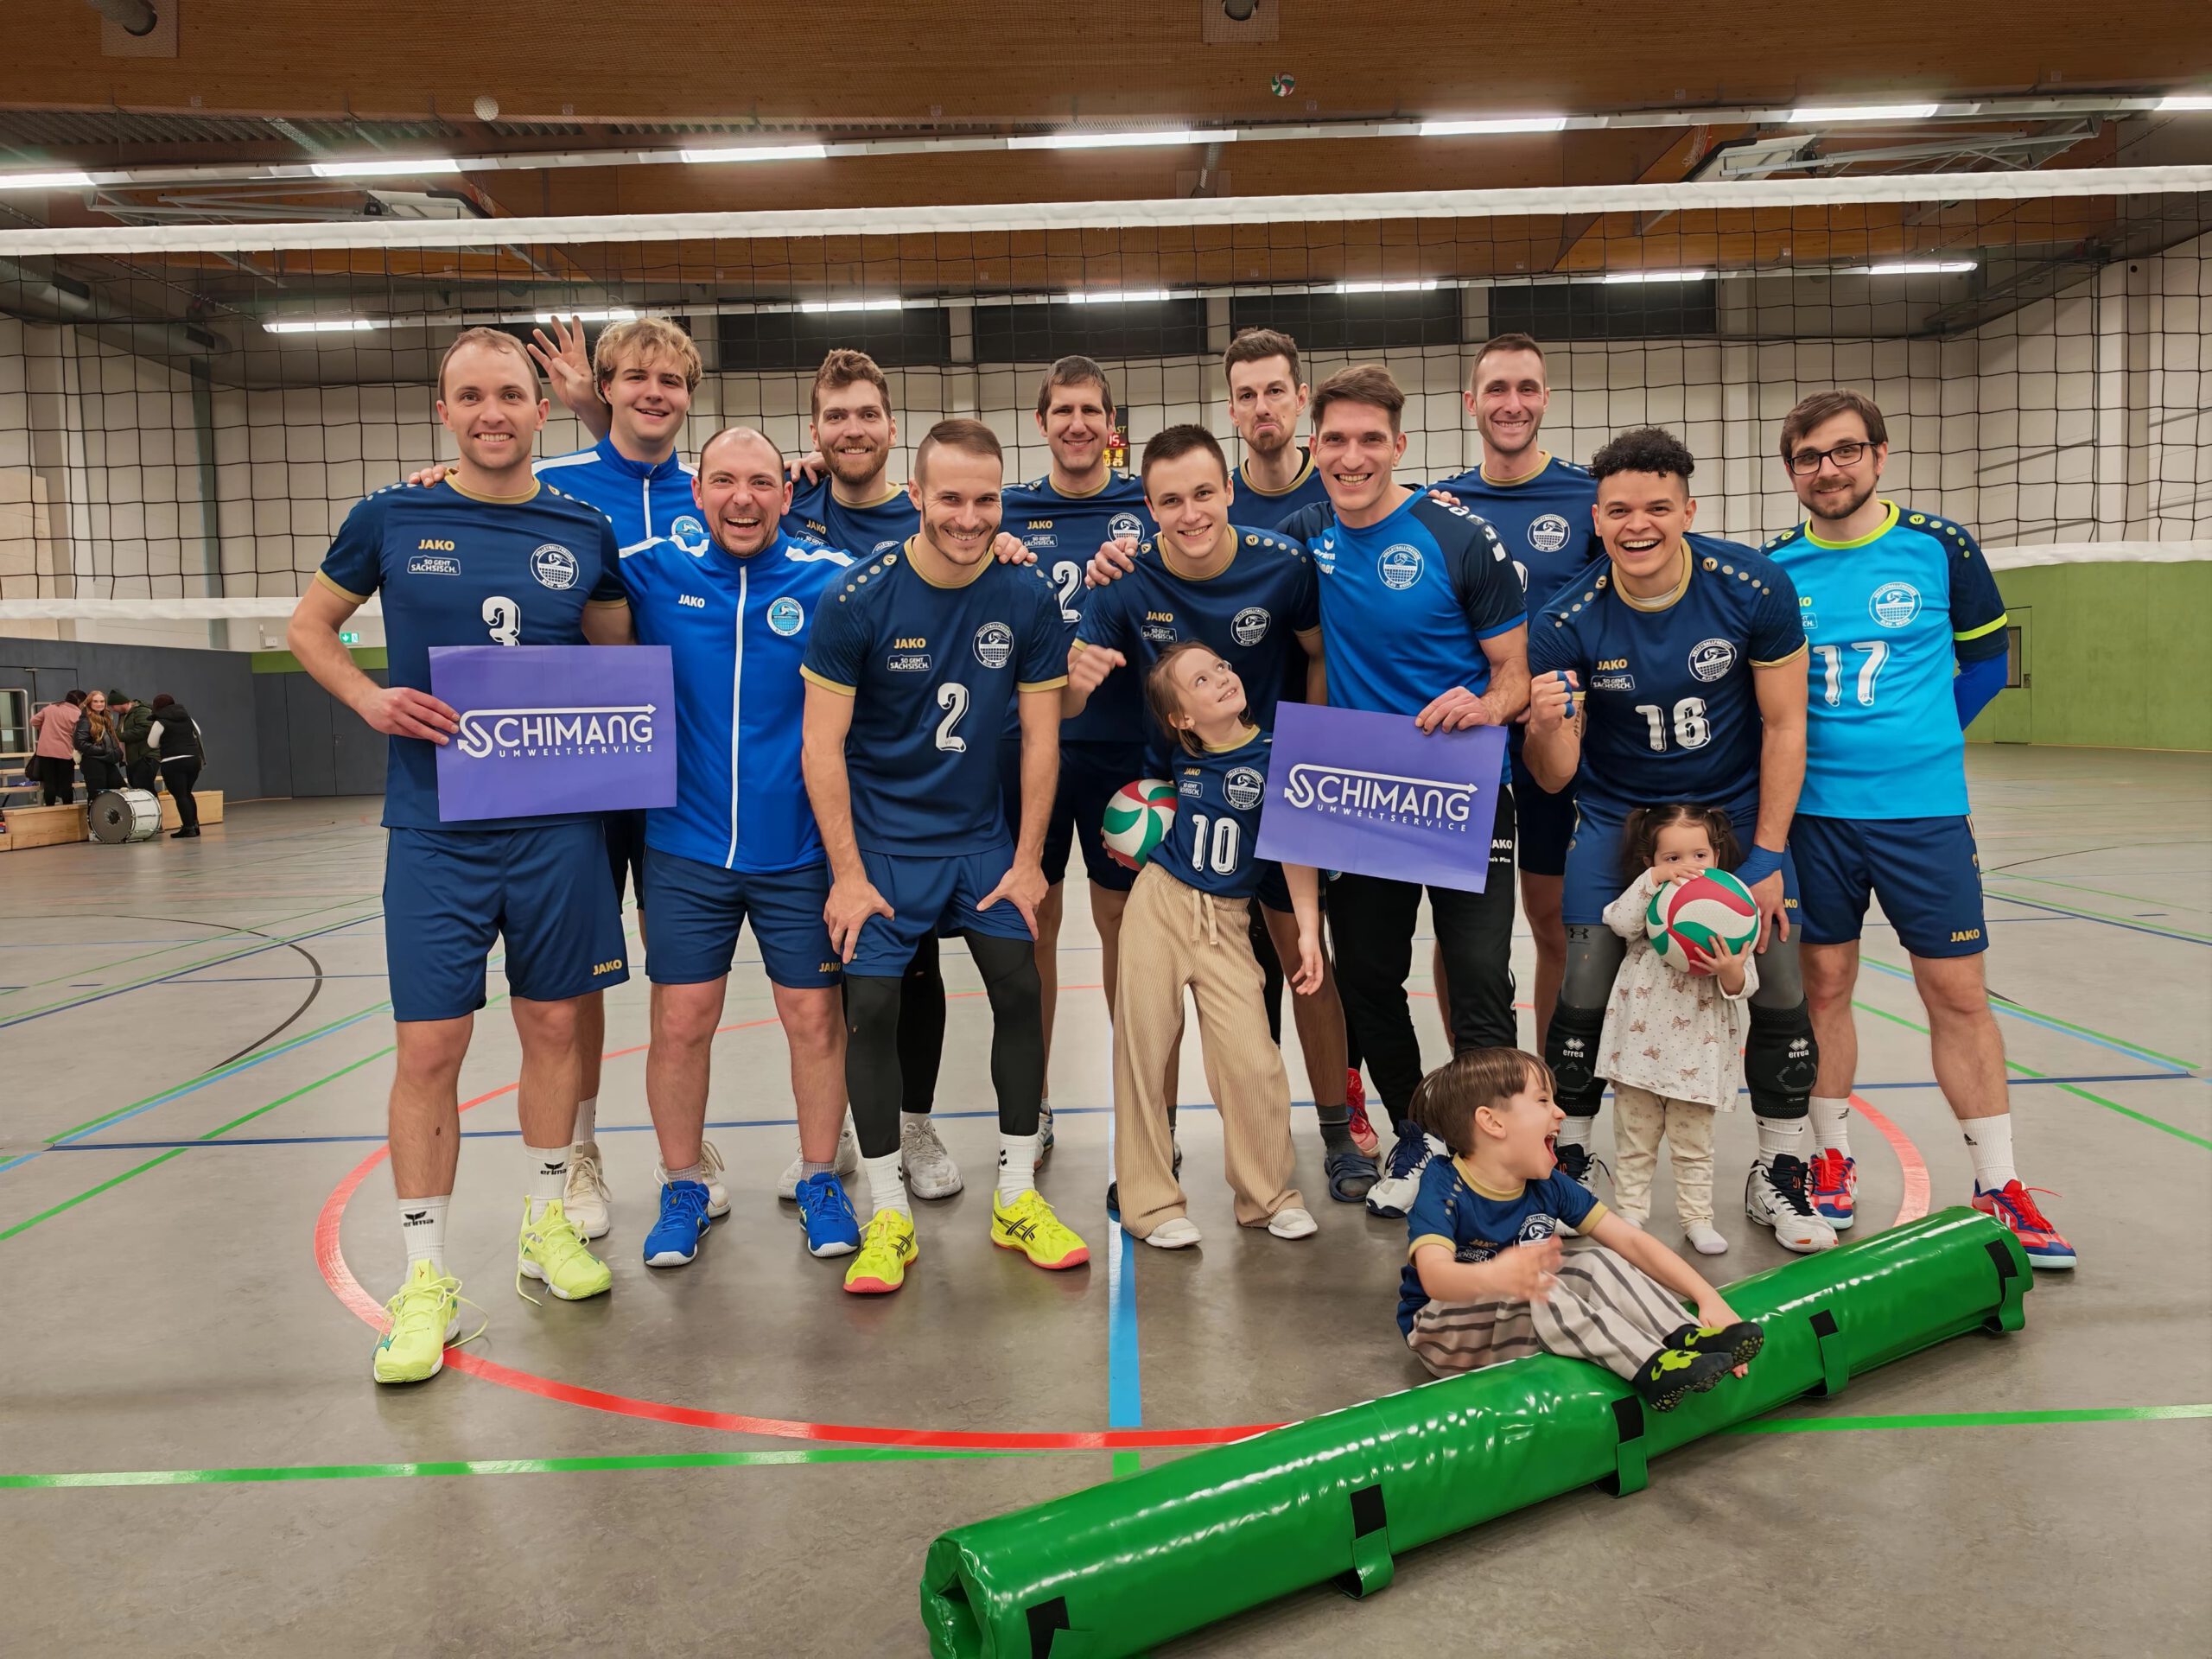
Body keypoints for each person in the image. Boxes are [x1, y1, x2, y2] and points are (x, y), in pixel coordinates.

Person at [288, 327, 632, 1385]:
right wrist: (369, 696)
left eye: (512, 395)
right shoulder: (391, 515)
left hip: (556, 828)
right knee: (429, 1049)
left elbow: (616, 663)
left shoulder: (583, 526)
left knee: (552, 1025)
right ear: (445, 411)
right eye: (472, 395)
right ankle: (425, 1276)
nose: (492, 412)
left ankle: (544, 1222)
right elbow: (309, 627)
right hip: (435, 830)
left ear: (542, 409)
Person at [1764, 389, 2075, 1268]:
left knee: (1958, 996)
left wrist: (1927, 735)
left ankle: (1999, 1181)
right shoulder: (1775, 568)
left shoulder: (1938, 549)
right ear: (1790, 471)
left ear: (1879, 455)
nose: (1827, 469)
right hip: (1814, 817)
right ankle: (1830, 1155)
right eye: (1808, 457)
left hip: (1923, 815)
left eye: (1843, 451)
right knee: (1820, 989)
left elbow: (1984, 658)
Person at [1524, 425, 1834, 1255]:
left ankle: (1778, 1169)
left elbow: (1784, 722)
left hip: (1727, 818)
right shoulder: (1566, 619)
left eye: (1657, 507)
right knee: (1583, 980)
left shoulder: (1752, 586)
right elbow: (1554, 777)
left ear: (1688, 510)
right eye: (1619, 509)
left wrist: (1765, 859)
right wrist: (1548, 724)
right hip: (1619, 819)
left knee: (1774, 982)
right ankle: (1574, 1157)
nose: (1638, 525)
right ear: (1597, 518)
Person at [799, 416, 1087, 1295]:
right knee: (875, 1008)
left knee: (1019, 987)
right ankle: (887, 1211)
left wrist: (1030, 857)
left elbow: (1042, 740)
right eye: (950, 498)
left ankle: (1013, 1195)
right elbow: (821, 748)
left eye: (985, 500)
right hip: (886, 845)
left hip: (979, 843)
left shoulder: (1027, 596)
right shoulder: (856, 599)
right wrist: (847, 875)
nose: (969, 517)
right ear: (915, 495)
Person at [1071, 423, 1373, 1203]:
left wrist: (1306, 754)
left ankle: (1339, 1134)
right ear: (1148, 506)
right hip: (1172, 812)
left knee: (1307, 963)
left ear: (1229, 491)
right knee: (1154, 995)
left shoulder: (1282, 566)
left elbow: (1318, 653)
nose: (1191, 512)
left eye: (1205, 493)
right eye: (1171, 500)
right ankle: (1157, 1144)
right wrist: (1076, 676)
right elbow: (1073, 692)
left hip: (1270, 796)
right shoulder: (1124, 582)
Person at [1274, 364, 1531, 1218]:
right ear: (1315, 447)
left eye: (1369, 440)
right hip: (1361, 789)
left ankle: (1498, 1161)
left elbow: (1515, 678)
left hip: (1461, 786)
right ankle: (1416, 1132)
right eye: (1336, 440)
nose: (1352, 457)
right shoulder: (1306, 532)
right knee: (1369, 983)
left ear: (1400, 446)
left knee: (1477, 979)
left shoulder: (1457, 539)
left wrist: (1484, 701)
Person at [606, 425, 865, 1268]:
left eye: (760, 482)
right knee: (681, 1021)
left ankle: (821, 1177)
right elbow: (548, 535)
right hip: (683, 850)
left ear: (787, 496)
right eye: (723, 481)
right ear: (697, 490)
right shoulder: (649, 571)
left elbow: (930, 573)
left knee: (813, 1019)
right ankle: (682, 1183)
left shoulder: (832, 583)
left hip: (797, 850)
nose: (743, 498)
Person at [783, 348, 1028, 1204]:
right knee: (852, 981)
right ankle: (840, 1136)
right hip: (848, 790)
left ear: (892, 430)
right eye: (834, 417)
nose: (851, 430)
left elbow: (974, 529)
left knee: (918, 970)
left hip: (946, 790)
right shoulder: (784, 503)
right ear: (814, 430)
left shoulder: (934, 512)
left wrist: (1002, 543)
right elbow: (677, 491)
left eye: (866, 415)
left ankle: (912, 1122)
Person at [1397, 1047, 1763, 1412]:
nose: (1560, 1112)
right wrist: (1493, 1276)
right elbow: (1435, 1278)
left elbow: (1631, 1242)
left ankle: (1686, 1338)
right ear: (1493, 1122)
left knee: (1595, 1260)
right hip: (1443, 1334)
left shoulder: (1549, 1184)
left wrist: (1706, 1297)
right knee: (1537, 1287)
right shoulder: (1446, 1184)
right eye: (1543, 1101)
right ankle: (1651, 1368)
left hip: (1514, 1321)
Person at [1219, 327, 1378, 1160]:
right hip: (1229, 774)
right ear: (1233, 407)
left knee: (1326, 952)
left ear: (1301, 400)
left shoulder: (1352, 491)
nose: (1261, 408)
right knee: (1251, 961)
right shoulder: (1219, 505)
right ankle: (1266, 1117)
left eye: (1275, 391)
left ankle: (1341, 1102)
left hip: (1322, 762)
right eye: (1245, 395)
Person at [1108, 642, 1321, 1247]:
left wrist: (1307, 928)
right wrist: (1119, 834)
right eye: (1201, 680)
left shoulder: (1283, 754)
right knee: (1143, 1054)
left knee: (1254, 1060)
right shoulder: (1175, 758)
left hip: (1229, 922)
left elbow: (1297, 845)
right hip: (1161, 904)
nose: (1223, 678)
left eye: (1222, 667)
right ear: (1182, 717)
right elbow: (1133, 810)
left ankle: (1267, 1197)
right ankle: (1150, 1206)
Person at [1000, 356, 1156, 1162]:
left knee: (1124, 925)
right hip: (1030, 747)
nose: (1077, 424)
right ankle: (1036, 1102)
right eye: (1063, 410)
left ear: (1110, 425)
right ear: (1042, 423)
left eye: (1091, 410)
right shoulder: (1010, 513)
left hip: (1123, 749)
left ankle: (1143, 1106)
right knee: (1032, 919)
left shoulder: (1147, 509)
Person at [1431, 334, 1603, 1056]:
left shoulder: (1589, 500)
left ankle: (1555, 1089)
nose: (1512, 404)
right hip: (1467, 748)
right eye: (1497, 389)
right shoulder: (1437, 506)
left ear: (1546, 399)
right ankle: (1473, 1079)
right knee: (1464, 934)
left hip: (1553, 744)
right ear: (1471, 403)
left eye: (1526, 389)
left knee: (1553, 917)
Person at [1596, 804, 1759, 1255]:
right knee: (1635, 1141)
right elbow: (1619, 920)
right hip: (1640, 1047)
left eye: (1699, 855)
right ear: (1652, 861)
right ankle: (1630, 1214)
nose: (1688, 867)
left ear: (1717, 856)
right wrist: (1652, 883)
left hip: (1697, 1055)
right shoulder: (1650, 900)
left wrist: (1729, 968)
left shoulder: (1731, 905)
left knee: (1694, 1147)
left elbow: (1745, 984)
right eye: (1672, 858)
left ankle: (1697, 1218)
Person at [143, 693, 207, 838]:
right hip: (193, 759)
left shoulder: (160, 721)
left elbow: (152, 743)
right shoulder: (187, 718)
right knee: (187, 793)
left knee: (180, 795)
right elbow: (198, 733)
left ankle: (188, 827)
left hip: (173, 761)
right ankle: (195, 824)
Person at [29, 690, 84, 805]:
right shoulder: (77, 714)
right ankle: (67, 809)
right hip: (65, 752)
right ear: (79, 702)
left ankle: (50, 810)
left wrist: (46, 728)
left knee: (49, 783)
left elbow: (33, 721)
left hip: (45, 752)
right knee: (66, 784)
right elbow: (79, 734)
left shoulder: (50, 708)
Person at [73, 689, 124, 796]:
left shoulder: (105, 718)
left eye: (102, 701)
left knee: (120, 790)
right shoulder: (85, 720)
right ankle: (92, 813)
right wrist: (102, 750)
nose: (99, 704)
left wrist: (117, 752)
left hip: (107, 760)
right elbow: (79, 743)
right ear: (89, 703)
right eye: (95, 701)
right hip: (93, 762)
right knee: (97, 795)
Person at [114, 691, 156, 793]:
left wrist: (117, 736)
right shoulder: (124, 715)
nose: (113, 710)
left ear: (120, 704)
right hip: (133, 757)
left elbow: (146, 729)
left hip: (146, 755)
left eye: (113, 707)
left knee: (144, 788)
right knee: (136, 785)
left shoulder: (141, 711)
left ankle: (153, 809)